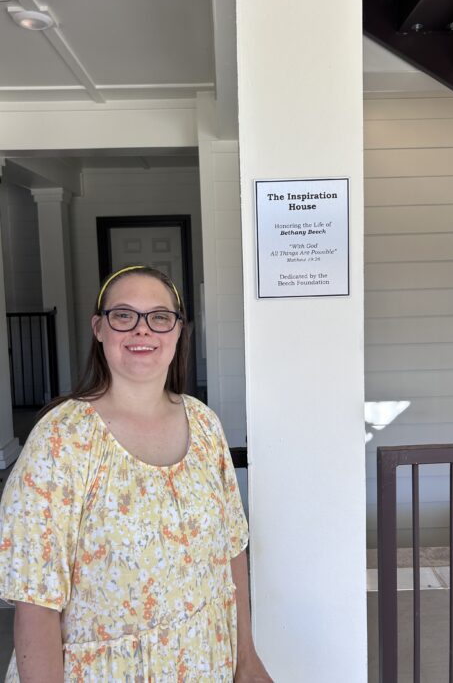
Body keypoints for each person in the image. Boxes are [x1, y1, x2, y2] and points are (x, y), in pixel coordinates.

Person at [0, 265, 272, 682]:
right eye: (124, 315)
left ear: (179, 331)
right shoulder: (61, 440)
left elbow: (231, 550)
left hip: (206, 662)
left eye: (159, 317)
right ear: (99, 328)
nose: (142, 331)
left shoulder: (204, 424)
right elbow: (35, 603)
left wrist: (247, 661)